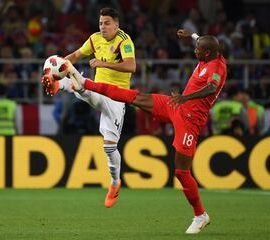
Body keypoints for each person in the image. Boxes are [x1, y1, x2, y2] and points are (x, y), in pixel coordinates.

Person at [54, 29, 227, 234]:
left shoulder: (217, 67)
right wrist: (192, 36)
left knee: (181, 171)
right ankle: (85, 84)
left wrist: (186, 98)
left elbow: (211, 87)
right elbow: (202, 40)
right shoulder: (209, 50)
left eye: (198, 50)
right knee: (134, 97)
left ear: (207, 53)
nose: (195, 51)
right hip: (175, 106)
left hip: (190, 120)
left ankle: (200, 215)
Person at [43, 7, 136, 208]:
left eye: (107, 23)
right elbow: (77, 54)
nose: (103, 27)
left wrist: (103, 64)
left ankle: (115, 183)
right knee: (80, 83)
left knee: (109, 147)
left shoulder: (124, 40)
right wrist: (57, 66)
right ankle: (61, 83)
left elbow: (131, 66)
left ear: (116, 25)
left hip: (117, 97)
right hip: (97, 90)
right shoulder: (94, 38)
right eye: (101, 23)